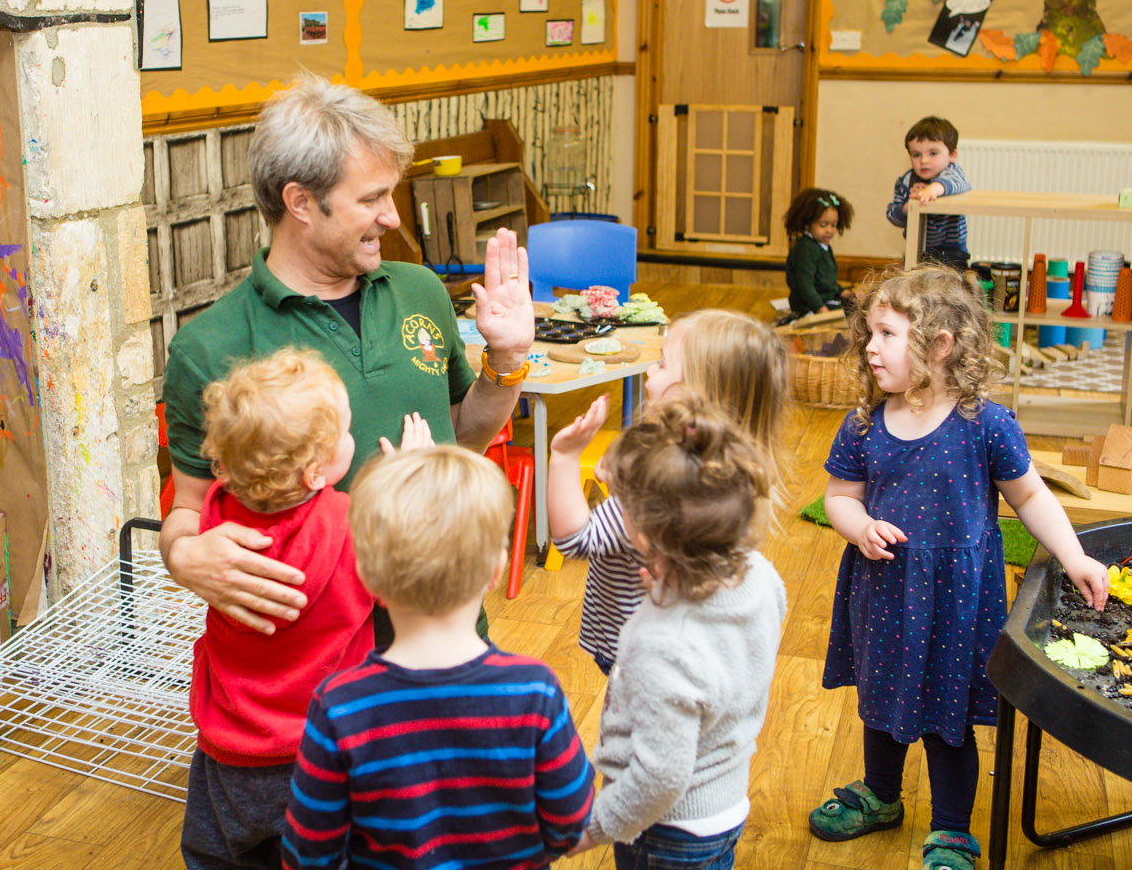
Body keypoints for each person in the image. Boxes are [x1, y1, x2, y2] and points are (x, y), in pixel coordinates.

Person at [159, 74, 534, 638]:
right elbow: (187, 508)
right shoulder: (209, 347)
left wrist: (507, 358)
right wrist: (183, 554)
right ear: (301, 202)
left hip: (443, 635)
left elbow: (461, 437)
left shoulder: (421, 292)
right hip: (306, 670)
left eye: (389, 193)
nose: (393, 217)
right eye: (371, 199)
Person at [808, 266, 1109, 870]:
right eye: (871, 332)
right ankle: (881, 795)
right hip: (885, 590)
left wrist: (1073, 555)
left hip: (957, 602)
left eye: (887, 334)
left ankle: (950, 830)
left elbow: (1029, 497)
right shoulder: (864, 423)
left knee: (948, 719)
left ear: (941, 346)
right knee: (881, 699)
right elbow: (840, 497)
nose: (869, 346)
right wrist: (860, 527)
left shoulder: (985, 424)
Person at [282, 445, 595, 870]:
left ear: (368, 576)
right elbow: (571, 825)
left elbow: (309, 855)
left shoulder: (339, 705)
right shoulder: (534, 691)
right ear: (496, 570)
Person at [181, 347, 432, 870]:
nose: (352, 436)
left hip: (228, 751)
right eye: (345, 432)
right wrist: (405, 481)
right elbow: (408, 579)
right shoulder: (353, 525)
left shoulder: (217, 522)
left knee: (219, 855)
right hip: (326, 749)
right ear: (318, 473)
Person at [568, 394, 786, 870]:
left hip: (666, 832)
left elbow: (660, 778)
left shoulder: (658, 640)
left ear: (647, 534)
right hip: (725, 802)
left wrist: (590, 830)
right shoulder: (762, 575)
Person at [546, 309, 788, 676]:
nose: (648, 371)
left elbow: (575, 539)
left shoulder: (659, 474)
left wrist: (564, 457)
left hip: (631, 646)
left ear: (695, 392)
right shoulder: (738, 472)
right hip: (693, 644)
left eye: (660, 364)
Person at [887, 116, 971, 272]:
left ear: (952, 155)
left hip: (950, 251)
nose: (924, 160)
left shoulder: (952, 172)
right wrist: (907, 207)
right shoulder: (906, 180)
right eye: (916, 155)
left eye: (933, 153)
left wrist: (933, 189)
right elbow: (892, 214)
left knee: (949, 289)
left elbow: (958, 184)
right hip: (917, 249)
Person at [783, 187, 857, 318]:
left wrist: (842, 292)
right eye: (823, 225)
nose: (829, 230)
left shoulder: (822, 245)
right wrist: (820, 308)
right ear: (807, 223)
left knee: (859, 307)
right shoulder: (806, 249)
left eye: (833, 225)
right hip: (808, 305)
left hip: (825, 299)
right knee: (853, 317)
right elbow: (804, 285)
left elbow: (825, 282)